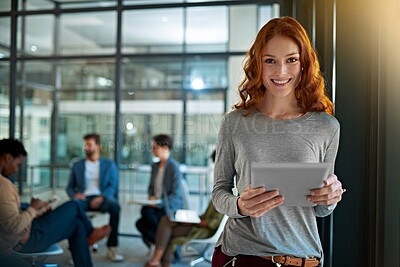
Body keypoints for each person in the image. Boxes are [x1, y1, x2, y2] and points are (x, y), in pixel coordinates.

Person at [211, 16, 345, 267]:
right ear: (258, 65)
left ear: (304, 64)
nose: (281, 72)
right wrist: (239, 205)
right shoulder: (234, 123)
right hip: (243, 255)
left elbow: (320, 209)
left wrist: (330, 199)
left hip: (304, 258)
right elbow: (219, 192)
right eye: (270, 61)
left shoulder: (327, 127)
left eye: (291, 60)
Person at [0, 138, 110, 267]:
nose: (17, 170)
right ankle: (90, 233)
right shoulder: (4, 186)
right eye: (18, 164)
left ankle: (88, 240)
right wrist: (33, 210)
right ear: (7, 158)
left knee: (77, 224)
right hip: (25, 241)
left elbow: (7, 215)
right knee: (74, 205)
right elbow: (13, 227)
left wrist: (32, 209)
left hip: (27, 230)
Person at [66, 133, 123, 262]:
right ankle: (79, 247)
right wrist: (75, 195)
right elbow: (69, 187)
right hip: (83, 199)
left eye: (89, 145)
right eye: (85, 145)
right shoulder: (77, 165)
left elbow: (112, 186)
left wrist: (101, 197)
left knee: (115, 207)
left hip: (102, 198)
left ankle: (112, 246)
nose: (87, 148)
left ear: (98, 146)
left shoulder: (109, 165)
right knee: (72, 208)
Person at [136, 134, 184, 248]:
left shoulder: (174, 167)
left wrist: (159, 202)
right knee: (141, 220)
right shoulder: (155, 166)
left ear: (165, 148)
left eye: (155, 148)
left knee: (145, 217)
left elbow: (176, 195)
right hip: (154, 205)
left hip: (167, 206)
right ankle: (165, 243)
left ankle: (162, 244)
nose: (153, 151)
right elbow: (151, 188)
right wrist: (151, 198)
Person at [145, 201, 224, 267]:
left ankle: (157, 260)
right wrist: (192, 219)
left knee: (167, 227)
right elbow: (204, 217)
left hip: (202, 231)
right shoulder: (216, 197)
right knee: (166, 220)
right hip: (198, 225)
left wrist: (194, 222)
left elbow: (213, 223)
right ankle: (159, 261)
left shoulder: (223, 201)